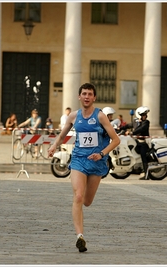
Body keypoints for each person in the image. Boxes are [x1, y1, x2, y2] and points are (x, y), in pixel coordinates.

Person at [47, 83, 120, 253]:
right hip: (79, 160)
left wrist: (101, 154)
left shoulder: (100, 116)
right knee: (78, 196)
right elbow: (63, 134)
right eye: (84, 94)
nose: (86, 96)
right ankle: (80, 236)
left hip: (97, 162)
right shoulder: (73, 116)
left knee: (87, 202)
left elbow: (116, 140)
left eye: (90, 94)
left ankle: (80, 232)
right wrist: (54, 146)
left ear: (94, 98)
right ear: (79, 96)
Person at [126, 106, 150, 180]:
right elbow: (128, 125)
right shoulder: (135, 121)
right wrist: (119, 128)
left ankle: (146, 174)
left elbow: (141, 129)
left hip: (143, 142)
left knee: (143, 155)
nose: (145, 116)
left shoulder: (146, 122)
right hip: (136, 141)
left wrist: (132, 132)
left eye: (145, 115)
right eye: (143, 115)